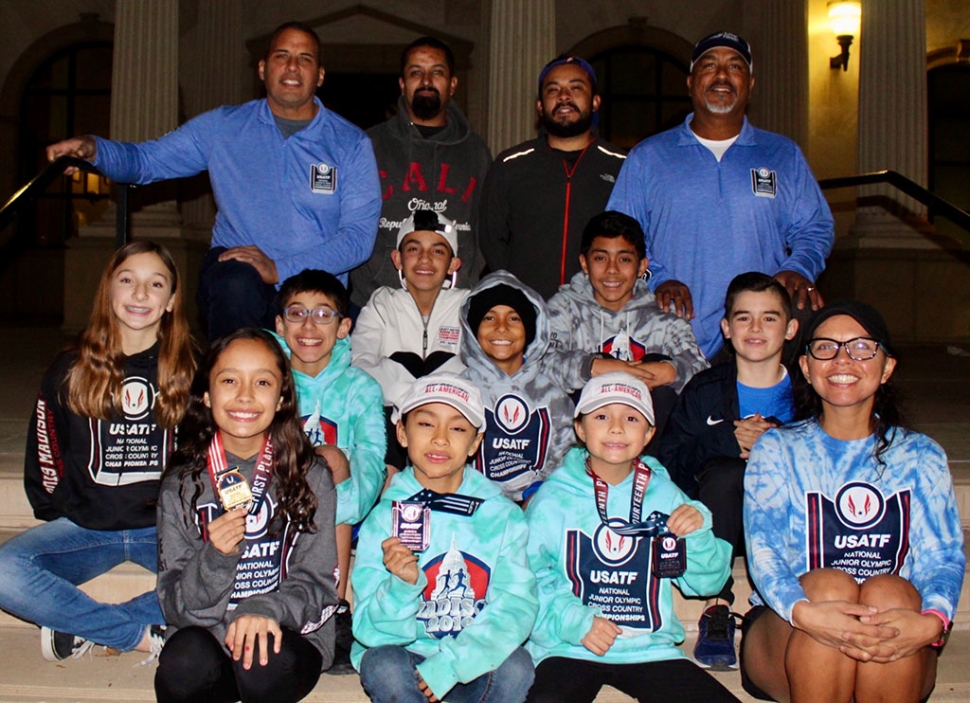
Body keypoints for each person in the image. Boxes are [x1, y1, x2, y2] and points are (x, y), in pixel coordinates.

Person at [46, 21, 381, 341]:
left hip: (314, 292)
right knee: (235, 282)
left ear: (319, 75)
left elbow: (357, 239)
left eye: (304, 58)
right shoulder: (224, 127)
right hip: (241, 287)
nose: (292, 66)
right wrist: (94, 150)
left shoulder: (350, 143)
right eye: (282, 56)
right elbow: (147, 161)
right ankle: (232, 382)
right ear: (263, 68)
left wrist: (280, 268)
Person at [741, 301, 965, 702]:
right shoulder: (777, 448)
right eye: (825, 347)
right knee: (830, 587)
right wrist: (808, 614)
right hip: (792, 626)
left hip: (890, 639)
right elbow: (764, 551)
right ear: (807, 368)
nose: (843, 359)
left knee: (890, 593)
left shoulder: (920, 455)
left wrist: (933, 622)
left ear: (887, 367)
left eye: (862, 348)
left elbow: (942, 556)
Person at [0, 241, 195, 660]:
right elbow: (46, 451)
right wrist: (59, 508)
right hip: (85, 529)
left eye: (155, 283)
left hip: (164, 532)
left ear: (171, 301)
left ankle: (86, 628)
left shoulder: (194, 370)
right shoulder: (69, 369)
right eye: (127, 280)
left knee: (243, 569)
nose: (140, 294)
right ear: (109, 290)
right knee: (4, 571)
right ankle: (138, 635)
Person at [607, 31, 834, 359]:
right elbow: (620, 236)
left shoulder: (783, 154)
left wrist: (799, 266)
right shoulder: (649, 156)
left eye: (735, 67)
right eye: (709, 66)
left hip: (756, 335)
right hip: (669, 331)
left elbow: (815, 227)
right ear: (690, 82)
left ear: (751, 84)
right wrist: (657, 278)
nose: (723, 75)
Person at [525, 372, 737, 703]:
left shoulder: (667, 495)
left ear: (650, 433)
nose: (616, 427)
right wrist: (573, 622)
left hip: (649, 650)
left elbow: (708, 584)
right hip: (568, 647)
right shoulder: (552, 499)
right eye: (601, 416)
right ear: (580, 428)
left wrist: (696, 535)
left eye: (631, 417)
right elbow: (527, 580)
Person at [155, 328, 338, 703]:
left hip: (285, 633)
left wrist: (263, 608)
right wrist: (215, 558)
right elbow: (173, 602)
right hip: (209, 633)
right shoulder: (181, 483)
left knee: (261, 662)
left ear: (282, 396)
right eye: (229, 380)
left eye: (263, 382)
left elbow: (319, 584)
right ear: (206, 393)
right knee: (182, 666)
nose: (245, 395)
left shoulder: (312, 476)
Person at [351, 373, 538, 703]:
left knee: (518, 667)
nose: (439, 439)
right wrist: (403, 585)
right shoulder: (384, 518)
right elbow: (370, 631)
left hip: (474, 659)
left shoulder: (503, 516)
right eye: (425, 424)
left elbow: (516, 606)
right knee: (382, 665)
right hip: (408, 655)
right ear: (402, 433)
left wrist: (451, 666)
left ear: (475, 443)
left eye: (457, 428)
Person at [658, 272, 798, 670]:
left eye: (769, 318)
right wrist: (726, 441)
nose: (755, 328)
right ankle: (717, 606)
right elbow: (665, 464)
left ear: (789, 329)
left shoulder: (808, 391)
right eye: (743, 318)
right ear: (726, 327)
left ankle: (771, 607)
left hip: (786, 529)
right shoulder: (704, 388)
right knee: (727, 471)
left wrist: (781, 443)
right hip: (719, 526)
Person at [272, 269, 387, 672]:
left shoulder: (361, 387)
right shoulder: (269, 376)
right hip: (270, 493)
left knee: (333, 459)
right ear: (279, 324)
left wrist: (343, 503)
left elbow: (372, 455)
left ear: (343, 327)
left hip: (339, 508)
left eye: (323, 315)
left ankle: (331, 609)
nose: (308, 326)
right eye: (297, 313)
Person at [350, 36, 491, 308]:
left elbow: (486, 229)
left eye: (437, 72)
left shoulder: (475, 150)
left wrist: (467, 278)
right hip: (377, 302)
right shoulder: (370, 145)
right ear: (402, 84)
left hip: (453, 304)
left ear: (452, 84)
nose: (426, 81)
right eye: (416, 72)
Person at [547, 210, 708, 443]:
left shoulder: (662, 315)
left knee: (660, 368)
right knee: (588, 369)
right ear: (584, 263)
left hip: (647, 440)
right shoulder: (565, 308)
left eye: (624, 259)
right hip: (579, 440)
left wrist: (668, 372)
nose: (612, 269)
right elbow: (538, 365)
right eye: (601, 258)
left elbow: (702, 372)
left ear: (642, 266)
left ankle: (651, 471)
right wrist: (595, 367)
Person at [479, 55, 627, 299]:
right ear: (540, 105)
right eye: (553, 90)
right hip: (528, 315)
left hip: (599, 315)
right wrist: (514, 295)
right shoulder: (510, 165)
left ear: (595, 102)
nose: (564, 96)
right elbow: (491, 240)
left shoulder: (623, 166)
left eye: (576, 88)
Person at [352, 210, 470, 468]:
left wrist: (431, 398)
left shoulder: (468, 307)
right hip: (393, 422)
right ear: (398, 259)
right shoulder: (382, 304)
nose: (425, 259)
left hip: (448, 423)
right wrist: (412, 394)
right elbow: (359, 368)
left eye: (438, 251)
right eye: (414, 249)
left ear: (453, 264)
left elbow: (478, 373)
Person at [460, 271, 575, 503]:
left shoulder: (553, 397)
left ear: (531, 330)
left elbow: (566, 460)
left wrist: (538, 496)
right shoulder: (458, 392)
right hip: (473, 505)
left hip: (539, 503)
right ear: (473, 331)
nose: (501, 328)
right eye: (489, 318)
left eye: (514, 318)